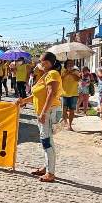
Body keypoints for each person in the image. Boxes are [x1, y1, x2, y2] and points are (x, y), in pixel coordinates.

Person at [16, 52, 63, 183]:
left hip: (48, 112)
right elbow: (37, 95)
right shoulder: (45, 75)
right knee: (45, 140)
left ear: (52, 63)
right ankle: (47, 166)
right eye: (41, 61)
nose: (42, 64)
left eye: (45, 62)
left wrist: (44, 112)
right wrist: (23, 101)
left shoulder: (52, 74)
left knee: (47, 141)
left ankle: (50, 173)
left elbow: (51, 93)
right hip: (44, 112)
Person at [61, 60, 81, 131]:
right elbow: (60, 79)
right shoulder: (62, 70)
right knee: (64, 109)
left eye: (72, 63)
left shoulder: (76, 71)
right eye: (69, 63)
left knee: (72, 110)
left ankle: (70, 125)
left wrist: (72, 73)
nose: (70, 65)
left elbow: (78, 79)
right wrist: (66, 73)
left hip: (74, 93)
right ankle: (65, 121)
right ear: (66, 64)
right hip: (64, 93)